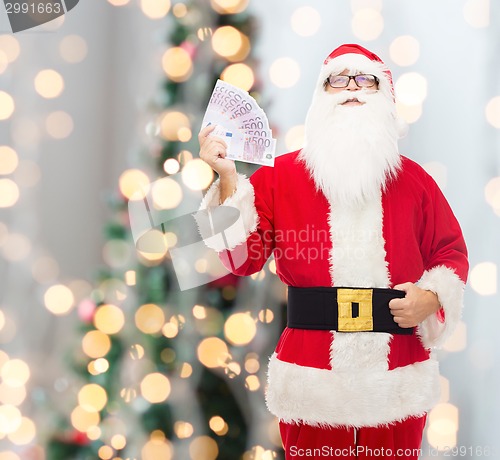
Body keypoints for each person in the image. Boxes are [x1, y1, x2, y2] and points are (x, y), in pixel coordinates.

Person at [198, 44, 468, 459]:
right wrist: (228, 180)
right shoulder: (279, 178)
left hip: (396, 375)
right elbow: (241, 259)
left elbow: (450, 253)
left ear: (385, 96)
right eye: (337, 80)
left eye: (365, 80)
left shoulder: (416, 183)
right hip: (312, 376)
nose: (351, 90)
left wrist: (430, 298)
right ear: (319, 98)